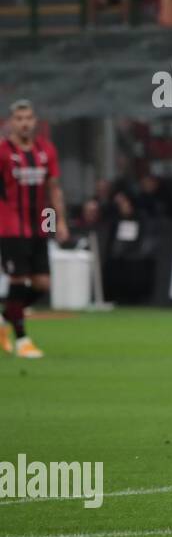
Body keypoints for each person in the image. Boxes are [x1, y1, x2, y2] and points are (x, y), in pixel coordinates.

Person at [0, 100, 69, 359]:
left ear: (35, 120)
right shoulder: (3, 151)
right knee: (17, 280)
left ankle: (7, 316)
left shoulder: (46, 150)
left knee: (42, 283)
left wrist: (58, 222)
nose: (24, 123)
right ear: (11, 123)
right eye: (19, 118)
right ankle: (22, 340)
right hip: (9, 226)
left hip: (39, 226)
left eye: (28, 117)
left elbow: (53, 188)